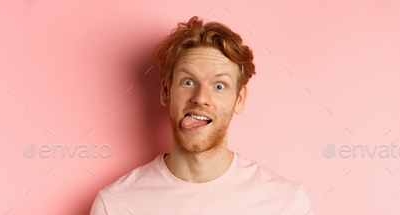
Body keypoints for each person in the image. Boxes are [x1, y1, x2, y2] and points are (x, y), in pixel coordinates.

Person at [90, 16, 314, 215]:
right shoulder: (115, 204)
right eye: (188, 82)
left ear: (239, 99)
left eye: (219, 85)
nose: (200, 97)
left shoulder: (287, 203)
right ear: (166, 91)